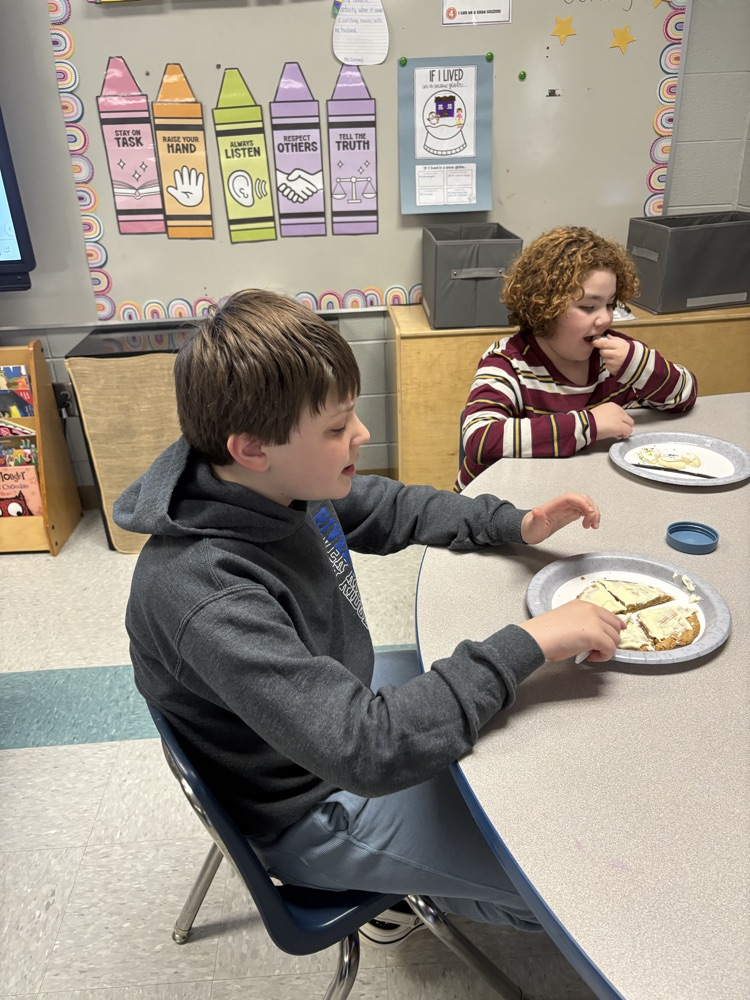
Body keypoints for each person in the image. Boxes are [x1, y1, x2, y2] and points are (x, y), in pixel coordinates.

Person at [113, 289, 622, 943]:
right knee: (568, 893)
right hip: (311, 804)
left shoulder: (274, 483)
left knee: (542, 743)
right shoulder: (205, 592)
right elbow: (369, 751)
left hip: (334, 710)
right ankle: (420, 893)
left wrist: (514, 522)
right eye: (335, 428)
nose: (361, 436)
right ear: (251, 447)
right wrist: (527, 642)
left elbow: (389, 506)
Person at [455, 226, 698, 492]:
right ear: (545, 308)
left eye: (611, 304)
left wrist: (642, 368)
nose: (605, 318)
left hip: (577, 492)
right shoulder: (508, 362)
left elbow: (684, 397)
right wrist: (588, 424)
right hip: (498, 508)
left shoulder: (622, 358)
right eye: (588, 307)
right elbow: (480, 440)